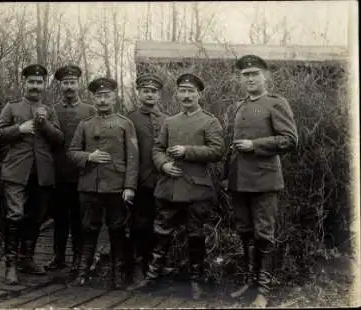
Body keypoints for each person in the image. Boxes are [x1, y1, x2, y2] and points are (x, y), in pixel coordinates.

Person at [127, 73, 224, 300]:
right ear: (177, 94)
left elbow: (218, 151)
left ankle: (196, 282)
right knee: (161, 233)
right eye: (182, 91)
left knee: (195, 236)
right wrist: (164, 165)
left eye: (191, 91)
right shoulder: (170, 122)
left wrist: (187, 151)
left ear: (199, 94)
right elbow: (157, 149)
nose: (186, 96)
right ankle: (151, 277)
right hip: (169, 187)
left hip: (196, 190)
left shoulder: (210, 121)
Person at [223, 55, 298, 308]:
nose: (250, 78)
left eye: (255, 73)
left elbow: (289, 139)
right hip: (239, 182)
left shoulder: (276, 103)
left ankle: (263, 291)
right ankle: (250, 281)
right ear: (240, 78)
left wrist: (254, 145)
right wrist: (227, 176)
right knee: (245, 232)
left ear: (265, 76)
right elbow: (232, 147)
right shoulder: (239, 106)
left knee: (264, 234)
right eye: (245, 75)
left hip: (265, 180)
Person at [0, 64, 64, 284]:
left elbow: (60, 140)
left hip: (41, 173)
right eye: (31, 82)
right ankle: (10, 265)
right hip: (16, 172)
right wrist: (19, 129)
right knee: (15, 215)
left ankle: (27, 259)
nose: (35, 86)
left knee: (36, 216)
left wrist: (45, 125)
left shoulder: (49, 110)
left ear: (44, 85)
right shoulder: (12, 107)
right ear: (24, 83)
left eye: (39, 82)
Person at [68, 77, 139, 289]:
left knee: (117, 230)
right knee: (88, 230)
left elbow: (133, 158)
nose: (102, 100)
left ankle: (118, 277)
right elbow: (72, 152)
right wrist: (89, 157)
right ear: (93, 98)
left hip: (116, 187)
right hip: (90, 187)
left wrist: (129, 186)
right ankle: (82, 274)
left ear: (114, 97)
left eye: (106, 95)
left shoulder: (125, 124)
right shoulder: (85, 124)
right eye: (98, 96)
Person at [46, 64, 96, 273]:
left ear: (78, 84)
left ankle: (78, 257)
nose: (69, 87)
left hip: (81, 172)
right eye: (65, 83)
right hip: (58, 172)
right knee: (59, 217)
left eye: (72, 83)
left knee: (79, 217)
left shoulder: (90, 110)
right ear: (60, 85)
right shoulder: (53, 110)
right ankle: (59, 258)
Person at [125, 73, 167, 282]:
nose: (150, 95)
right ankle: (137, 265)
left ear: (159, 95)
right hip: (139, 181)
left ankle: (156, 266)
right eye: (146, 91)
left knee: (160, 224)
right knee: (138, 224)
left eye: (154, 91)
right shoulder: (129, 118)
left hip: (163, 181)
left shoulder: (166, 119)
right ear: (138, 93)